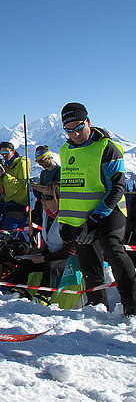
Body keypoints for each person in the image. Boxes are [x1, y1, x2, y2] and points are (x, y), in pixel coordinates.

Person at [58, 102, 135, 317]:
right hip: (80, 220)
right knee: (89, 266)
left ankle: (132, 308)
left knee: (113, 251)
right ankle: (97, 313)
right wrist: (65, 222)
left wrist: (95, 219)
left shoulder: (107, 147)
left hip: (110, 214)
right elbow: (70, 188)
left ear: (88, 122)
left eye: (79, 127)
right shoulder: (65, 151)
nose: (75, 134)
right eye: (69, 130)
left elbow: (117, 188)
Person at [10, 182, 76, 301]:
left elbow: (70, 251)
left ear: (59, 199)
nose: (43, 201)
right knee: (27, 261)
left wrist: (43, 258)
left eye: (48, 197)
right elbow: (49, 238)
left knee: (51, 267)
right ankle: (19, 289)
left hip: (70, 258)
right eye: (42, 197)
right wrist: (40, 249)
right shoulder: (46, 213)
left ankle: (45, 296)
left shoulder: (67, 218)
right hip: (51, 253)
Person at [0, 141, 31, 230]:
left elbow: (21, 185)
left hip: (20, 202)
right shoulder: (5, 165)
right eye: (2, 153)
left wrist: (4, 175)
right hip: (9, 200)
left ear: (13, 151)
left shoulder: (22, 163)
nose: (4, 155)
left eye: (6, 152)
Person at [29, 145, 60, 226]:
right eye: (38, 162)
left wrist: (40, 188)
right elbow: (40, 196)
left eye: (42, 161)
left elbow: (57, 192)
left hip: (55, 210)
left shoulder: (60, 172)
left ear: (49, 157)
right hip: (44, 209)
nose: (40, 164)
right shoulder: (43, 173)